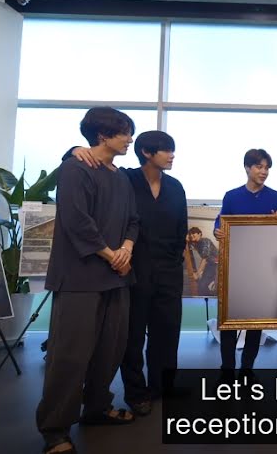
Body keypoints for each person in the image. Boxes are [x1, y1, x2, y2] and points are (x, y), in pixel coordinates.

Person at [36, 107, 139, 454]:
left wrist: (126, 248)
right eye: (124, 132)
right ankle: (55, 430)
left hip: (117, 278)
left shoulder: (121, 177)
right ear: (103, 135)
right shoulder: (75, 168)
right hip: (80, 278)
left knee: (110, 351)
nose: (129, 139)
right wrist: (111, 255)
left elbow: (133, 220)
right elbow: (76, 221)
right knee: (69, 356)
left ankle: (96, 408)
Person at [67, 130, 189, 418]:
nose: (172, 156)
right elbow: (88, 163)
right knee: (131, 336)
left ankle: (163, 386)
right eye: (166, 150)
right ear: (147, 152)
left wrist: (174, 263)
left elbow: (181, 228)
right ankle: (136, 392)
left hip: (169, 272)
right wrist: (73, 149)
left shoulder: (175, 186)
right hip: (132, 269)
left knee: (167, 332)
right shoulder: (125, 178)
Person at [213, 149, 277, 376]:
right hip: (235, 266)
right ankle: (227, 368)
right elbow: (221, 221)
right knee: (228, 319)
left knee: (255, 320)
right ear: (247, 168)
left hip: (263, 267)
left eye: (267, 168)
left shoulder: (274, 196)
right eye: (259, 167)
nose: (264, 171)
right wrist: (217, 231)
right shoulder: (232, 196)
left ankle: (247, 368)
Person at [186, 227, 218, 296]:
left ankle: (210, 299)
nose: (191, 235)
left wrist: (197, 274)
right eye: (190, 234)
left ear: (200, 234)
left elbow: (204, 258)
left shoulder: (205, 241)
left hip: (216, 265)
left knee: (202, 286)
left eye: (193, 233)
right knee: (202, 285)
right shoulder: (195, 243)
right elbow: (188, 241)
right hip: (209, 264)